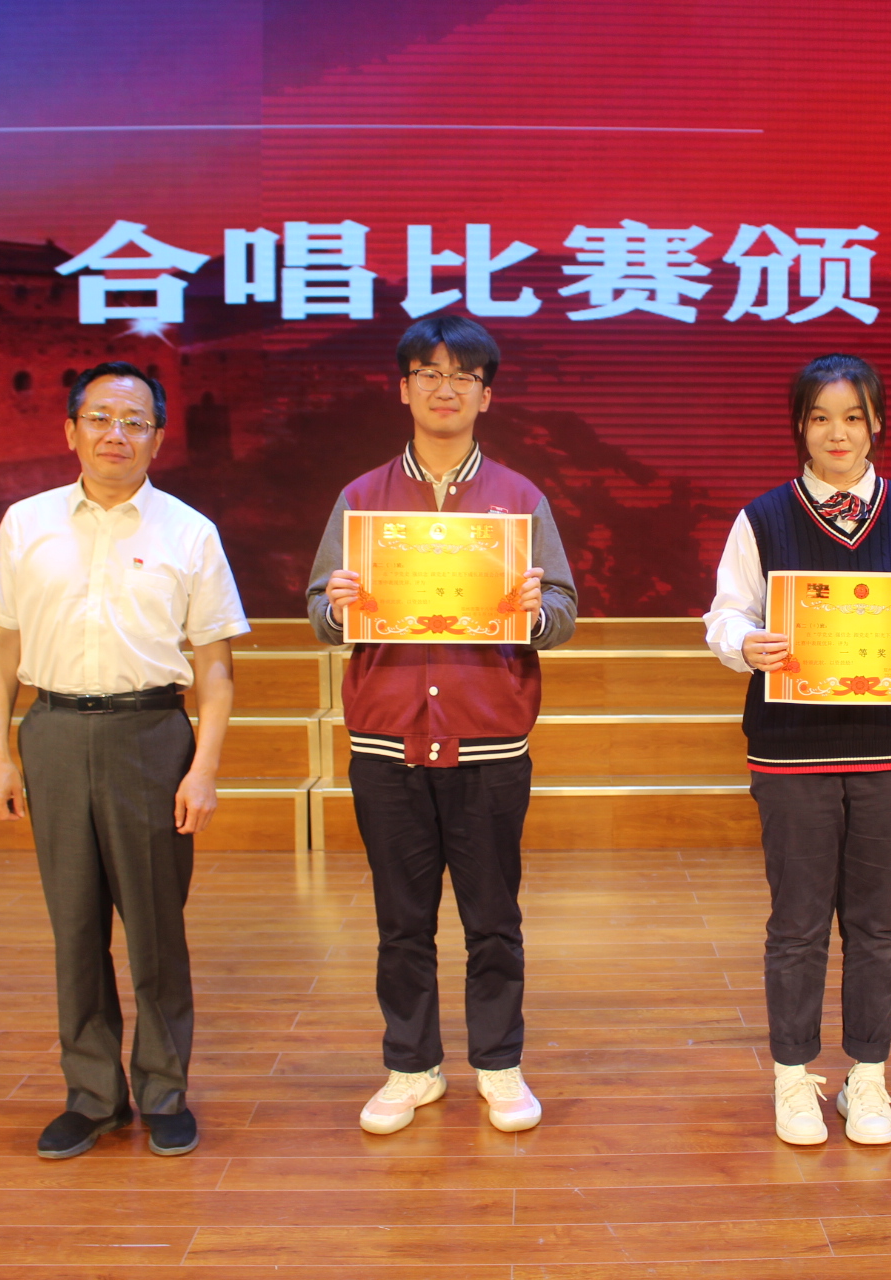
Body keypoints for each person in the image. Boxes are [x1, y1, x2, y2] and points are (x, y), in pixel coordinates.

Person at [307, 315, 578, 1136]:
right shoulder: (361, 499)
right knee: (402, 921)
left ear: (486, 395)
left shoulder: (519, 500)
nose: (445, 388)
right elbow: (319, 608)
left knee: (494, 919)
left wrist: (533, 611)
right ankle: (411, 1066)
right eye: (428, 372)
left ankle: (499, 1064)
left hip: (489, 743)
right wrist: (338, 606)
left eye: (464, 375)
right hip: (386, 742)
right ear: (404, 388)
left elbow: (564, 611)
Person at [0, 360, 249, 1159]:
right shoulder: (25, 523)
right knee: (75, 926)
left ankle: (163, 1092)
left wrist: (204, 768)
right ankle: (92, 1097)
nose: (115, 434)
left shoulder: (190, 532)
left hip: (151, 737)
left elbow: (215, 665)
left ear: (157, 438)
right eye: (99, 418)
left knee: (156, 928)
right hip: (53, 732)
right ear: (70, 431)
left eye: (133, 421)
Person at [703, 353, 891, 1146]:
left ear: (876, 424)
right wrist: (746, 642)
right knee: (796, 922)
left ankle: (868, 1077)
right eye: (821, 417)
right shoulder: (763, 517)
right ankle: (793, 1078)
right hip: (792, 748)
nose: (838, 433)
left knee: (877, 922)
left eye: (853, 417)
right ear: (800, 425)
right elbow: (726, 613)